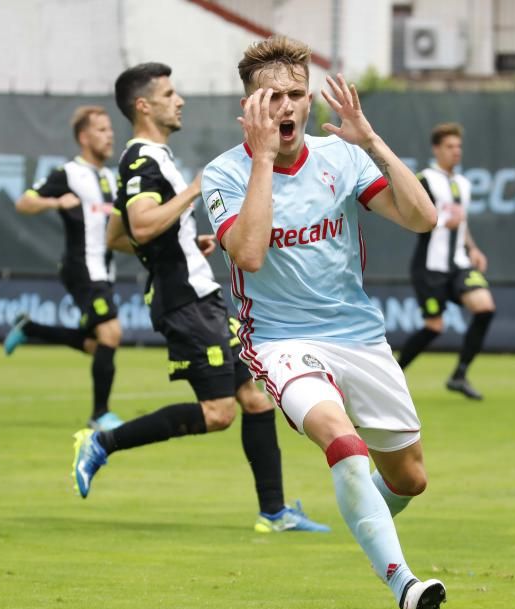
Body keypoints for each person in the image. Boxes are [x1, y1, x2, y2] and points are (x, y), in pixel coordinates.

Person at [201, 35, 446, 609]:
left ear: (310, 100)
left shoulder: (341, 156)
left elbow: (423, 218)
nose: (286, 108)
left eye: (296, 95)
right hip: (280, 341)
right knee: (342, 442)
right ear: (250, 107)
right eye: (272, 97)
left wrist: (372, 142)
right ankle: (406, 586)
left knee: (409, 478)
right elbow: (251, 254)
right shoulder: (222, 173)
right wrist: (261, 160)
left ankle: (364, 515)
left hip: (358, 335)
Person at [72, 62, 329, 534]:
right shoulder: (141, 161)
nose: (180, 100)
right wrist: (194, 191)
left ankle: (273, 513)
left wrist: (187, 243)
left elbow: (118, 235)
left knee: (256, 398)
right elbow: (143, 224)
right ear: (144, 106)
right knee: (218, 413)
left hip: (201, 295)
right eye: (169, 93)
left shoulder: (154, 158)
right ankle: (102, 442)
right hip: (185, 303)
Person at [8, 106, 123, 430]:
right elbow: (24, 202)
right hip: (81, 267)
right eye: (101, 129)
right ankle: (100, 414)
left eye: (109, 129)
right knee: (111, 333)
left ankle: (30, 329)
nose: (109, 134)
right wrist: (55, 202)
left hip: (104, 268)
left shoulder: (111, 178)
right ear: (84, 137)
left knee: (96, 344)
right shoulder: (69, 173)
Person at [397, 123, 495, 400]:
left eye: (459, 147)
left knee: (485, 308)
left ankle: (459, 374)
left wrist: (473, 248)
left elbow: (461, 223)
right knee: (434, 327)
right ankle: (393, 374)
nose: (456, 152)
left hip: (459, 264)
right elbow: (408, 218)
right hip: (430, 268)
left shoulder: (463, 184)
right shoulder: (424, 179)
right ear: (436, 149)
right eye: (450, 147)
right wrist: (439, 223)